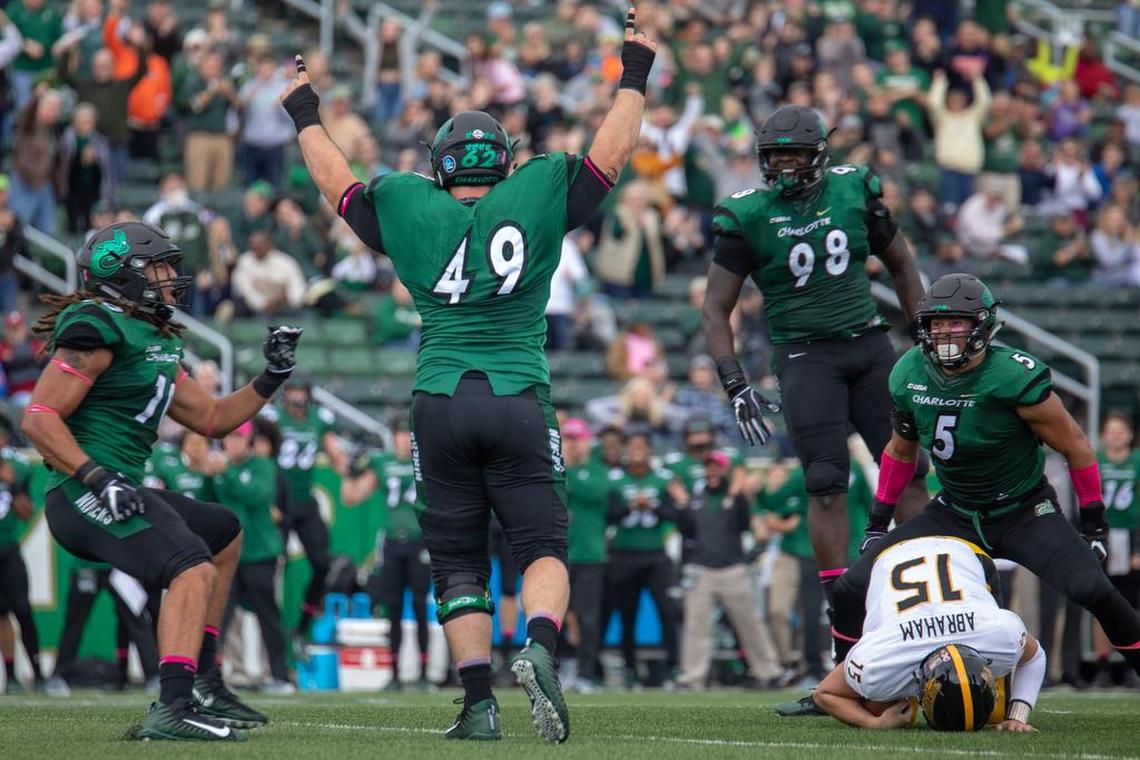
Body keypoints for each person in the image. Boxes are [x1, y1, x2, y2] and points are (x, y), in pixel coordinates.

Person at [279, 6, 657, 743]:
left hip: (440, 398)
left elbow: (338, 186)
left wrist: (303, 111)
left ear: (442, 165)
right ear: (502, 160)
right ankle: (541, 646)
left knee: (456, 563)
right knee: (544, 546)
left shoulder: (407, 202)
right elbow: (612, 151)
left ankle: (478, 705)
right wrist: (635, 69)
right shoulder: (541, 186)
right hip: (516, 391)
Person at [20, 221, 303, 740]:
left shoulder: (153, 337)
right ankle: (173, 705)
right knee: (191, 568)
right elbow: (39, 417)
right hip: (83, 490)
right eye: (159, 267)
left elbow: (215, 418)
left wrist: (271, 377)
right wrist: (96, 476)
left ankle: (205, 679)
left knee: (224, 531)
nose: (172, 276)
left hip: (117, 484)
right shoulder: (96, 323)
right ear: (121, 276)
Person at [830, 274, 1140, 700]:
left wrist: (1094, 524)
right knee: (850, 586)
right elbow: (901, 452)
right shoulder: (909, 372)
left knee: (1095, 590)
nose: (943, 333)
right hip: (954, 512)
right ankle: (839, 686)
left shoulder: (1012, 375)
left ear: (981, 326)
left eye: (955, 323)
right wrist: (877, 523)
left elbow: (1077, 448)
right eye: (936, 324)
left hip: (1023, 511)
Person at [702, 102, 928, 672]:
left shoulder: (853, 191)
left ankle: (930, 599)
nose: (782, 166)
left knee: (908, 473)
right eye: (774, 157)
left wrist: (925, 341)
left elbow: (901, 265)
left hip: (870, 345)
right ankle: (846, 636)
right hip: (805, 356)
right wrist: (734, 383)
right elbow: (715, 308)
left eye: (794, 155)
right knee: (826, 482)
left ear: (819, 156)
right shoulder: (747, 215)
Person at [814, 534, 1045, 733]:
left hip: (964, 556)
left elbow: (824, 693)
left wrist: (1016, 717)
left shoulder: (996, 634)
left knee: (994, 715)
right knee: (876, 705)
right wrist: (875, 721)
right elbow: (826, 694)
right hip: (890, 558)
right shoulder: (882, 658)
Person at [671, 450, 781, 691]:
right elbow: (685, 529)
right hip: (702, 570)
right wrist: (683, 505)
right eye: (709, 466)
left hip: (733, 569)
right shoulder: (695, 498)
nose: (712, 471)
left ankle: (769, 672)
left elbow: (746, 524)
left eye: (717, 467)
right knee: (696, 626)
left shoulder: (736, 497)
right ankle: (692, 677)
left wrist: (741, 495)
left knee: (750, 623)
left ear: (725, 470)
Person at [341, 418, 432, 689]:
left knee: (418, 607)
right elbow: (351, 497)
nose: (404, 439)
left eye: (408, 434)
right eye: (400, 434)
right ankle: (394, 674)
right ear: (393, 437)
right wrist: (349, 470)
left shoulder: (427, 462)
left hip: (420, 542)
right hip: (393, 543)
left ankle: (425, 673)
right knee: (392, 608)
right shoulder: (382, 463)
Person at [260, 378, 345, 648]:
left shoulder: (319, 419)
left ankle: (302, 626)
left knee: (322, 563)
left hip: (305, 501)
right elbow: (261, 451)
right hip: (279, 501)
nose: (297, 399)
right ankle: (273, 636)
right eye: (293, 393)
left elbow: (335, 452)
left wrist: (347, 465)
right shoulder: (273, 417)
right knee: (272, 568)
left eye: (301, 393)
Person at [214, 422, 292, 694]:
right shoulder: (216, 470)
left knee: (268, 617)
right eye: (230, 437)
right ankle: (212, 677)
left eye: (240, 437)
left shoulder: (263, 466)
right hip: (228, 555)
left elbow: (255, 496)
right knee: (220, 618)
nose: (234, 443)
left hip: (260, 554)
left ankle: (280, 676)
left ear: (249, 441)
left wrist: (225, 474)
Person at [608, 427, 681, 689]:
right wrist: (630, 506)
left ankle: (673, 667)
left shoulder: (663, 479)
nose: (637, 452)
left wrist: (654, 506)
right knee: (627, 614)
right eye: (633, 447)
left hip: (655, 553)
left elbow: (675, 515)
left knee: (667, 610)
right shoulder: (615, 479)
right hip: (625, 553)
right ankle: (629, 669)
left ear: (650, 451)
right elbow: (608, 514)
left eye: (642, 447)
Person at [561, 417, 621, 693]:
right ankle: (566, 665)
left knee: (588, 617)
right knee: (558, 615)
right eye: (568, 439)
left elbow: (595, 491)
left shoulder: (595, 470)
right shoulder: (558, 470)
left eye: (576, 439)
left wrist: (566, 474)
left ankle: (586, 672)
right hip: (561, 554)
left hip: (589, 555)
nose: (572, 445)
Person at [1091, 412, 1140, 687]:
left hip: (1129, 536)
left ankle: (1131, 664)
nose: (1117, 435)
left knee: (1130, 604)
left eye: (1121, 431)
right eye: (1112, 430)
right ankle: (1103, 663)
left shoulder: (1136, 462)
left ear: (1130, 435)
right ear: (1104, 435)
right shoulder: (1096, 460)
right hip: (1103, 536)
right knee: (1102, 604)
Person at [0, 435, 43, 691]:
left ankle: (39, 674)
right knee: (1, 613)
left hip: (9, 549)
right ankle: (11, 675)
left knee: (23, 610)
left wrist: (13, 486)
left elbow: (26, 514)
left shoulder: (17, 467)